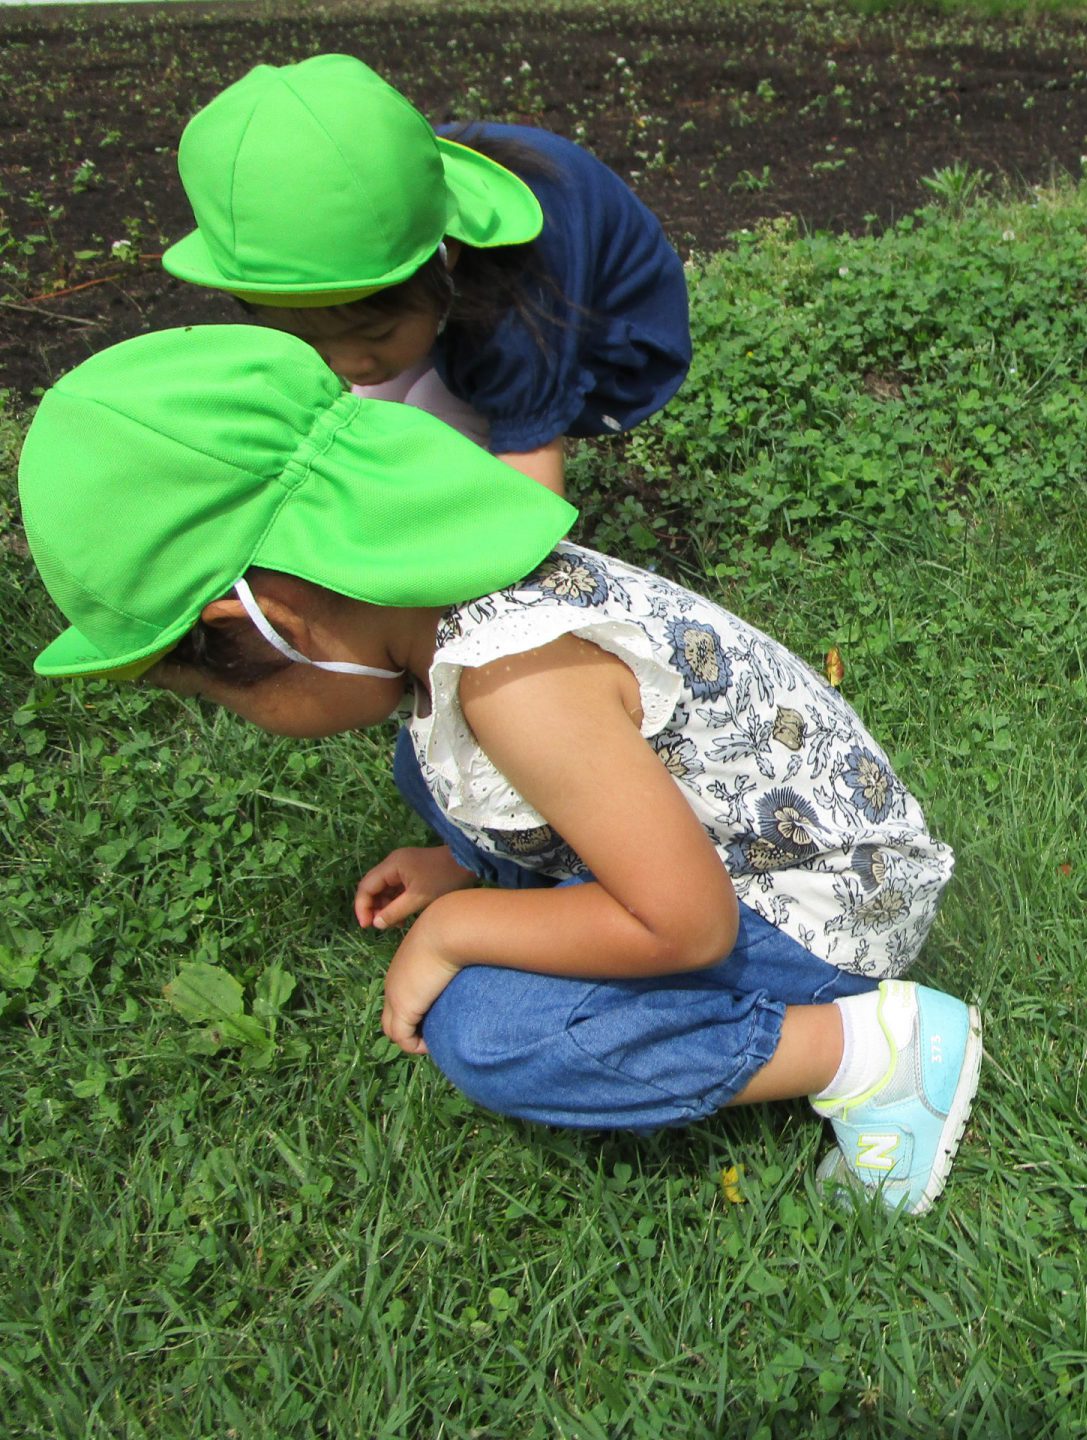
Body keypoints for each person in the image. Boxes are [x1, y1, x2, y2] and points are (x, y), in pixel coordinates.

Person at [18, 325, 981, 1215]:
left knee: (494, 1030)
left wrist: (457, 928)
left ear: (269, 626)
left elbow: (688, 925)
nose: (247, 724)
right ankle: (536, 887)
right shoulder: (455, 601)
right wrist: (462, 865)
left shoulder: (517, 683)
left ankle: (870, 1049)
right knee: (424, 763)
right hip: (725, 853)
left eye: (219, 697)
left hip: (827, 909)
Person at [161, 53, 691, 498]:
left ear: (447, 256)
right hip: (437, 300)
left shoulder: (519, 313)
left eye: (374, 335)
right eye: (314, 343)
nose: (351, 364)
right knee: (374, 414)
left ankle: (437, 531)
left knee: (432, 416)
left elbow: (531, 482)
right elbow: (366, 330)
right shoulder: (378, 198)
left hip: (613, 330)